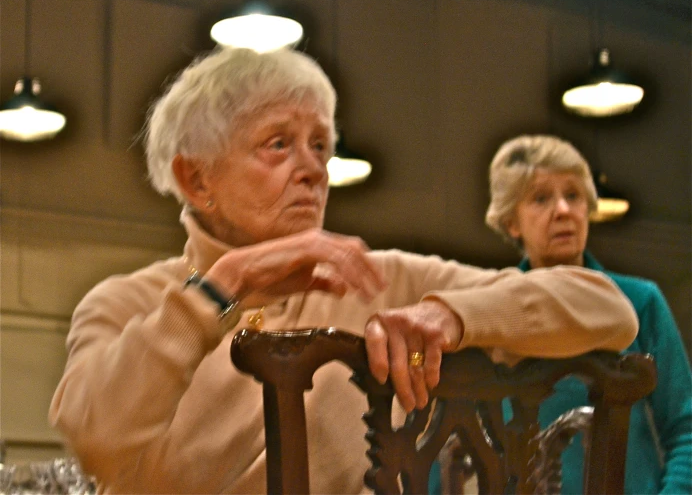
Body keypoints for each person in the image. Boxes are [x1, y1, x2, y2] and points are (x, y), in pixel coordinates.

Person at [50, 48, 638, 494]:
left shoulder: (375, 279)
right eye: (278, 144)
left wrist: (450, 314)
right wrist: (224, 286)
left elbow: (607, 309)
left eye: (320, 146)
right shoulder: (125, 303)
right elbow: (95, 440)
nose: (313, 169)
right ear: (196, 179)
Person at [483, 134, 692, 494]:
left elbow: (686, 427)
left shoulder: (639, 301)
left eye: (574, 195)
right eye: (541, 198)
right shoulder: (488, 313)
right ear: (511, 223)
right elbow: (452, 440)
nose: (563, 210)